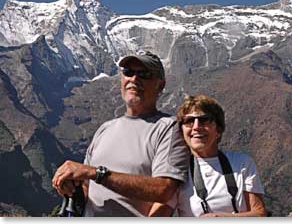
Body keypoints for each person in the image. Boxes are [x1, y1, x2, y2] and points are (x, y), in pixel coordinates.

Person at [52, 51, 189, 216]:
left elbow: (164, 189)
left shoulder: (169, 128)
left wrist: (97, 174)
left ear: (160, 85)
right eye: (128, 72)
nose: (134, 79)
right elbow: (88, 187)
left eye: (144, 74)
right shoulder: (105, 129)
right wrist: (70, 186)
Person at [149, 95, 266, 217]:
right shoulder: (177, 171)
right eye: (189, 121)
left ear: (218, 130)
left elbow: (259, 214)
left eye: (204, 120)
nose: (196, 127)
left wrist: (219, 218)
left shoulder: (242, 163)